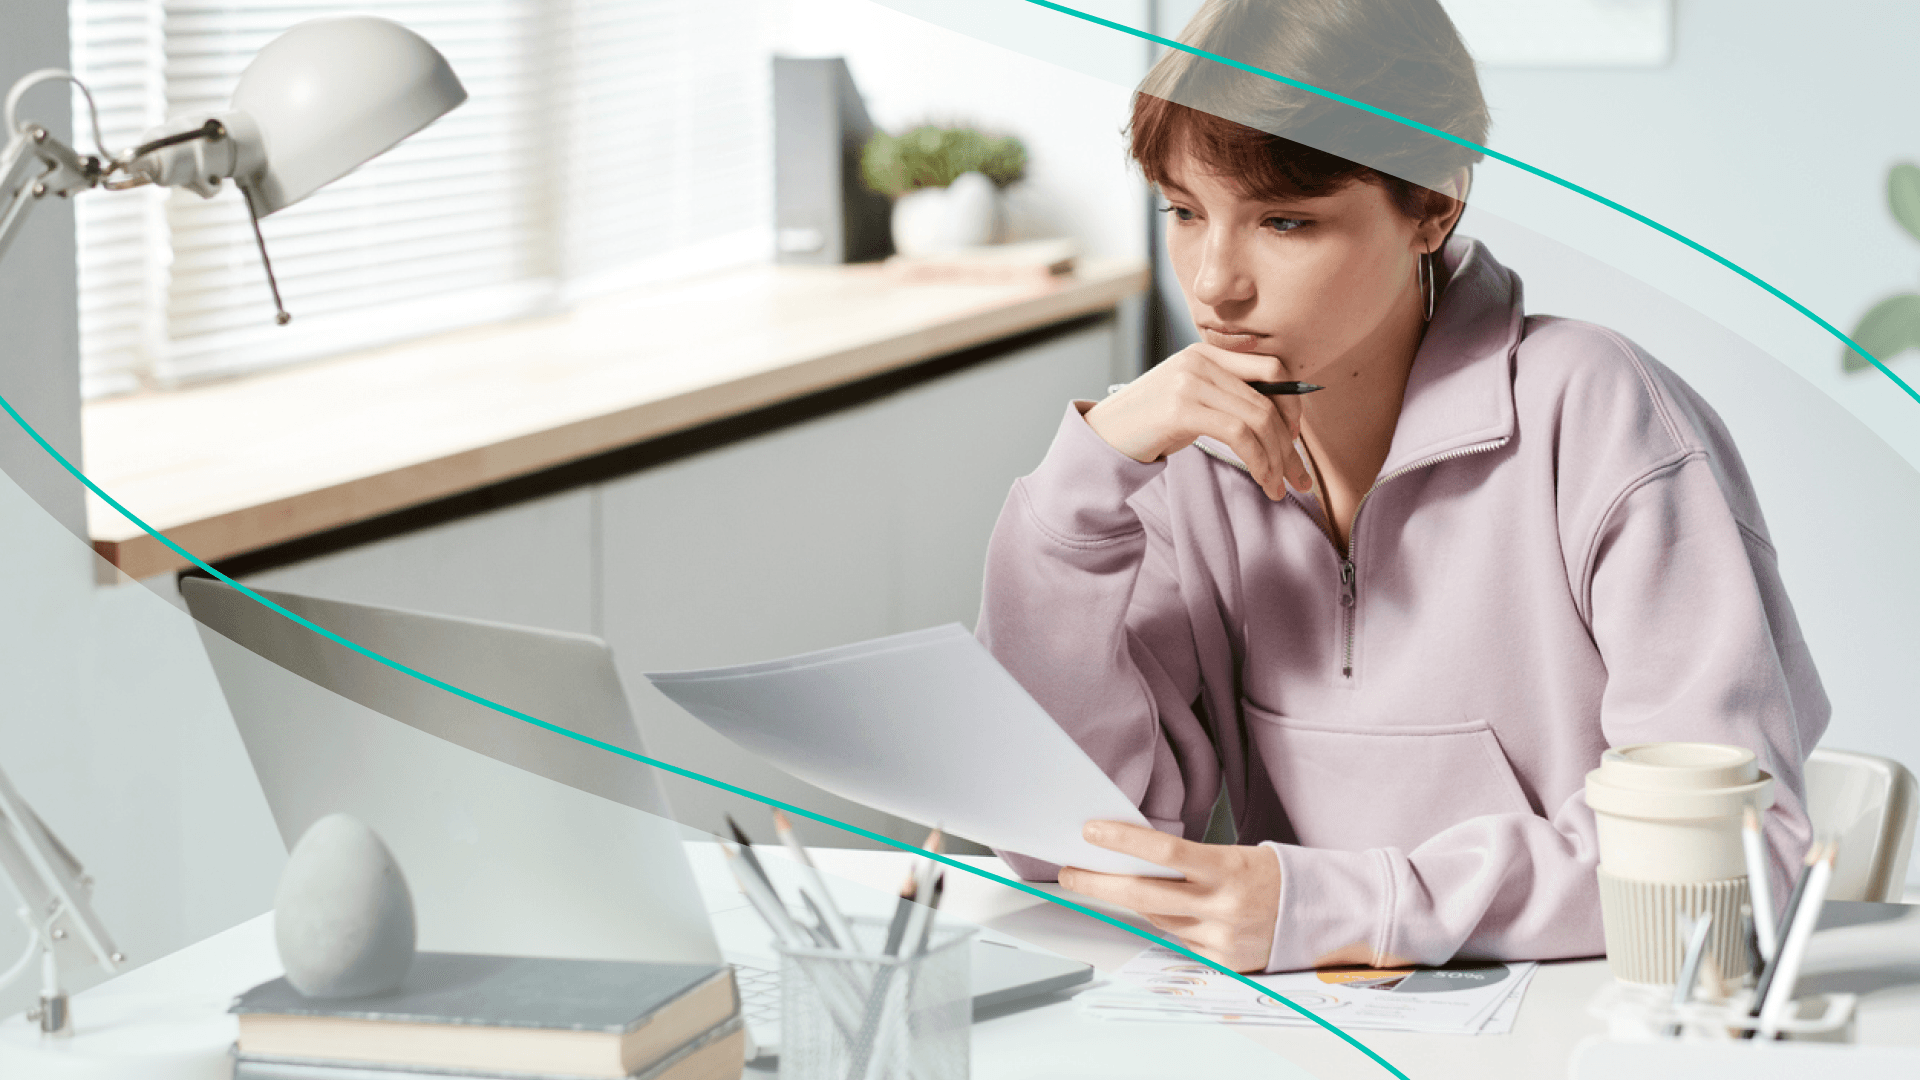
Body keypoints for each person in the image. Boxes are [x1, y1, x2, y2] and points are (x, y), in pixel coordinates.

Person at [976, 0, 1827, 974]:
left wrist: (1354, 906)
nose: (1214, 284)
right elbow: (1081, 850)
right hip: (1306, 1023)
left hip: (1579, 1022)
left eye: (1284, 221)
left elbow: (1734, 861)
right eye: (1183, 211)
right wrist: (1076, 499)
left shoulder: (1598, 416)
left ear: (1433, 204)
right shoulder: (1182, 466)